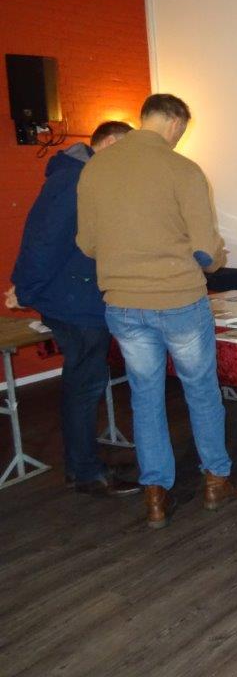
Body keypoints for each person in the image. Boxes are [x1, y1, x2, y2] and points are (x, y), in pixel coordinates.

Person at [77, 94, 237, 529]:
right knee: (201, 391)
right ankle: (216, 480)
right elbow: (205, 249)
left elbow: (88, 244)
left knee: (145, 396)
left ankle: (155, 494)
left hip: (123, 303)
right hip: (178, 301)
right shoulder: (183, 169)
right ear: (175, 123)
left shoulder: (96, 167)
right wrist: (214, 257)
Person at [8, 121, 140, 497]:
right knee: (84, 387)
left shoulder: (84, 177)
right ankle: (84, 472)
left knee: (86, 384)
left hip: (81, 297)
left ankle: (84, 463)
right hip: (74, 302)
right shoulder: (74, 180)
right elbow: (44, 241)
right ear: (109, 142)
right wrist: (24, 290)